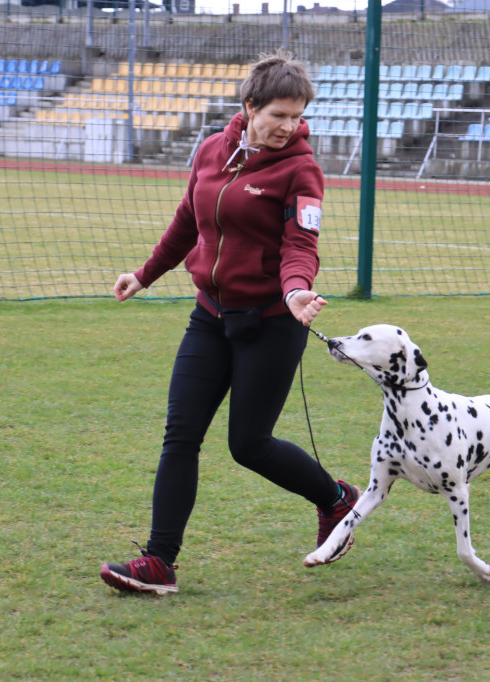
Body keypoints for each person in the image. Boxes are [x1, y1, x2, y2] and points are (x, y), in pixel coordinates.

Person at [99, 50, 360, 595]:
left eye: (298, 116)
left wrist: (295, 292)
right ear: (250, 106)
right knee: (180, 436)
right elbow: (187, 222)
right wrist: (145, 274)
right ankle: (159, 563)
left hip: (271, 321)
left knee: (249, 445)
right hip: (210, 316)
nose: (289, 127)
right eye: (279, 115)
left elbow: (300, 244)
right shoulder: (212, 150)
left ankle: (338, 500)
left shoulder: (301, 168)